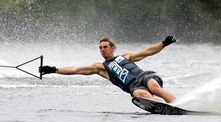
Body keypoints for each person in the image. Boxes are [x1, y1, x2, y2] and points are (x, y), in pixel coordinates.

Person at [39, 36, 176, 103]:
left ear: (112, 48)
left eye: (105, 47)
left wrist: (164, 43)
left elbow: (148, 51)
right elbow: (76, 69)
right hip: (133, 87)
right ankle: (165, 108)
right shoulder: (101, 68)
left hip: (144, 76)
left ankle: (177, 104)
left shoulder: (125, 56)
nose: (102, 50)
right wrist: (54, 69)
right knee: (141, 94)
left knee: (153, 86)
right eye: (100, 48)